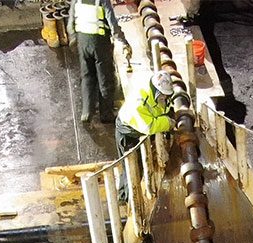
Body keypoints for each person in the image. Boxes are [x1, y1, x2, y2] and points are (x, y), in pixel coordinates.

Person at [115, 71, 175, 202]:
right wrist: (168, 122)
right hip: (128, 133)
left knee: (138, 167)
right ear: (156, 90)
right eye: (163, 94)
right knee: (132, 170)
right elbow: (149, 127)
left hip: (140, 129)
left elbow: (162, 108)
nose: (165, 97)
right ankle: (128, 200)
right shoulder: (139, 103)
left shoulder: (157, 94)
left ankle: (126, 195)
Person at [67, 0, 131, 124]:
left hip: (83, 41)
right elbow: (113, 24)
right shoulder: (102, 1)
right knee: (105, 78)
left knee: (87, 77)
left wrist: (74, 38)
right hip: (99, 42)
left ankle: (86, 112)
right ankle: (106, 114)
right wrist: (123, 41)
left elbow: (70, 23)